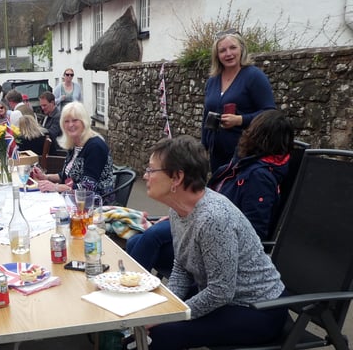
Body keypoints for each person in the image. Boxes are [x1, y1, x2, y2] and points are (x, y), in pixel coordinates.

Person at [47, 135, 289, 350]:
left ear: (177, 177)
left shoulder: (213, 218)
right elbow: (182, 265)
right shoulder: (179, 210)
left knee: (164, 332)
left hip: (259, 309)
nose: (145, 176)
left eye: (151, 170)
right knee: (148, 319)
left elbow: (221, 290)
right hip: (227, 298)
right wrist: (165, 304)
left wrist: (170, 314)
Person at [126, 109, 295, 275]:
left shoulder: (259, 177)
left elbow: (254, 231)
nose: (245, 133)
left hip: (216, 241)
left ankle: (132, 292)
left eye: (250, 130)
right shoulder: (241, 165)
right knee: (137, 241)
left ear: (257, 136)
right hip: (198, 222)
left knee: (149, 239)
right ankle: (135, 290)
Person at [202, 29, 275, 173]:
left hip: (245, 153)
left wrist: (240, 120)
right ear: (217, 55)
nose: (228, 54)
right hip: (217, 154)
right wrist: (203, 147)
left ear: (241, 49)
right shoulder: (213, 80)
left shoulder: (254, 76)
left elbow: (270, 113)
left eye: (233, 48)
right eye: (222, 50)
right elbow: (206, 115)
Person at [30, 102, 115, 197]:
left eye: (75, 120)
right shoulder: (75, 144)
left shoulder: (95, 146)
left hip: (96, 203)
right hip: (74, 199)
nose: (70, 125)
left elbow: (87, 188)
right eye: (66, 121)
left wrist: (55, 187)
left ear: (84, 122)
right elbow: (65, 175)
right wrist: (45, 177)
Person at [39, 91, 62, 156]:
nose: (42, 108)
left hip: (57, 153)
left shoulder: (58, 117)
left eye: (44, 105)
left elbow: (51, 134)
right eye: (41, 106)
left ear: (52, 103)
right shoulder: (46, 116)